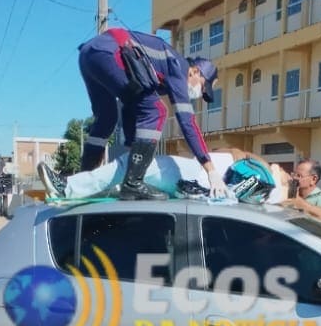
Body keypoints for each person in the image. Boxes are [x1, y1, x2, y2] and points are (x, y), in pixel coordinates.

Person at [77, 26, 221, 201]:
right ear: (196, 71)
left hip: (89, 54)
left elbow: (131, 106)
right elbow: (187, 123)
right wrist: (211, 171)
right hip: (110, 52)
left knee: (107, 118)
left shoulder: (161, 73)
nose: (200, 93)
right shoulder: (179, 67)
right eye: (203, 86)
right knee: (157, 111)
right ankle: (133, 183)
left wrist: (133, 151)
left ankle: (82, 180)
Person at [37, 147, 291, 204]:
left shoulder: (270, 176)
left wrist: (271, 167)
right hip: (198, 185)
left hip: (197, 177)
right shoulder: (272, 198)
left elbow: (237, 152)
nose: (293, 176)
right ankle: (81, 193)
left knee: (134, 162)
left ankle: (68, 189)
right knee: (127, 183)